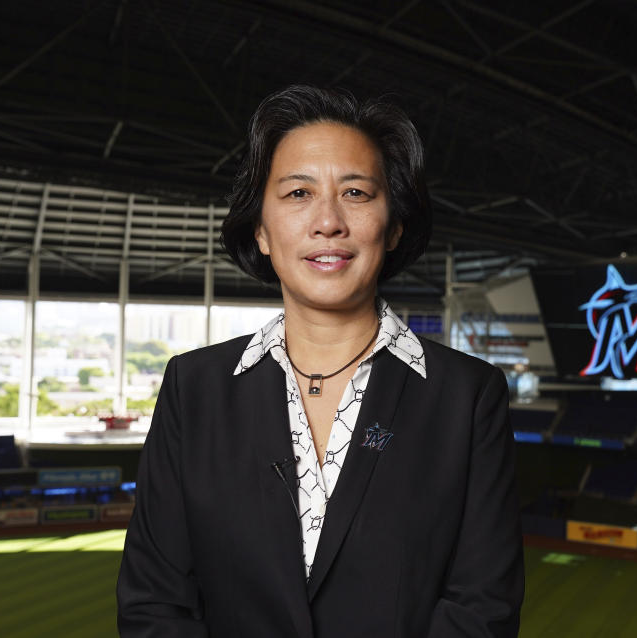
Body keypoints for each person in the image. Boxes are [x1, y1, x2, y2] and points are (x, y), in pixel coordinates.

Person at [116, 85, 524, 637]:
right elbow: (152, 606)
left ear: (395, 223)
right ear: (260, 229)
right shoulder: (194, 389)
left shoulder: (468, 395)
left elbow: (483, 610)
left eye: (356, 192)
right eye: (297, 193)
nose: (327, 221)